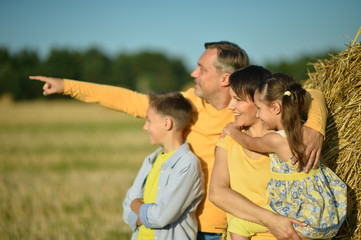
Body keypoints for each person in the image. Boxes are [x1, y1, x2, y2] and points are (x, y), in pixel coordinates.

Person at [29, 41, 327, 239]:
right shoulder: (189, 105)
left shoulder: (253, 107)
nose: (193, 72)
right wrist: (67, 85)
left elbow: (311, 93)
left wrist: (315, 126)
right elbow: (131, 101)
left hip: (231, 230)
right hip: (184, 228)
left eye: (202, 68)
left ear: (226, 78)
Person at [210, 69, 347, 240]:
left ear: (265, 102)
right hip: (288, 226)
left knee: (239, 225)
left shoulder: (300, 140)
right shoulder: (228, 143)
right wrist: (272, 220)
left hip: (294, 231)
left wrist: (316, 126)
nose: (230, 106)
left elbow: (313, 94)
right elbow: (217, 193)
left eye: (238, 99)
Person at [123, 91, 204, 240]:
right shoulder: (151, 160)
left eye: (149, 120)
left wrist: (136, 206)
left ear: (167, 123)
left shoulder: (187, 165)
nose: (145, 127)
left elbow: (161, 216)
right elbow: (126, 207)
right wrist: (140, 210)